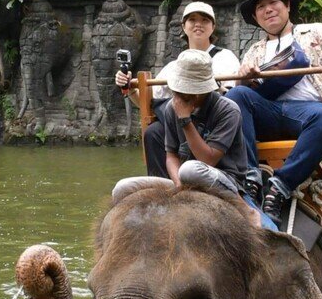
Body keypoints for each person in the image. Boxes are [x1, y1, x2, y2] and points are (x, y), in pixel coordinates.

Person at [224, 0, 322, 224]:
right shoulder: (254, 50)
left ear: (287, 5)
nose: (268, 9)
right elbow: (240, 95)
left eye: (273, 2)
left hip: (307, 113)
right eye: (260, 7)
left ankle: (281, 185)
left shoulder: (315, 32)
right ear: (256, 17)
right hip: (268, 113)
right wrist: (243, 78)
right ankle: (250, 175)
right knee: (236, 95)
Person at [113, 50, 277, 231]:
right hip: (185, 181)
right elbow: (171, 155)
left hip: (221, 179)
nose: (178, 94)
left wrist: (185, 120)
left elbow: (208, 160)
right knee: (122, 188)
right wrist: (179, 187)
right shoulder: (171, 107)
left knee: (190, 169)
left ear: (200, 92)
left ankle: (245, 209)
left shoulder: (228, 110)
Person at [115, 1, 240, 178]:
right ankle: (161, 183)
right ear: (183, 26)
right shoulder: (175, 65)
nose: (198, 24)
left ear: (213, 27)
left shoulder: (225, 57)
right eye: (192, 20)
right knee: (153, 131)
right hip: (178, 118)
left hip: (210, 120)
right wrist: (129, 88)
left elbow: (229, 95)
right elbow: (150, 103)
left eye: (204, 20)